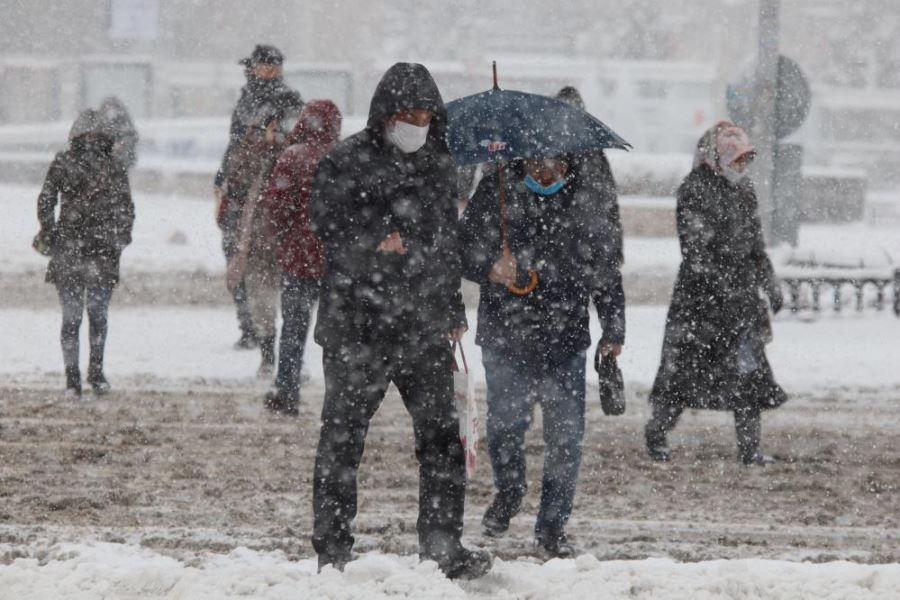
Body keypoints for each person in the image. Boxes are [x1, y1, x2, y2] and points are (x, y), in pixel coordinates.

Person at [309, 62, 491, 579]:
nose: (417, 124)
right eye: (408, 114)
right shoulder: (345, 160)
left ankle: (442, 547)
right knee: (342, 442)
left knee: (441, 441)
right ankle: (333, 553)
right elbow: (324, 225)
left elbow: (443, 246)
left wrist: (452, 310)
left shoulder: (438, 163)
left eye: (426, 115)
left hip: (423, 326)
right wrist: (374, 242)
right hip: (356, 327)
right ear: (385, 115)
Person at [458, 154, 625, 558]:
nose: (546, 173)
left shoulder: (588, 199)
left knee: (566, 439)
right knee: (504, 429)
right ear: (524, 159)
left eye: (555, 166)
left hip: (565, 339)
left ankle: (552, 527)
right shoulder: (495, 189)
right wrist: (490, 267)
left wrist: (613, 328)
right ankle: (510, 490)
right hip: (505, 336)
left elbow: (606, 269)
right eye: (537, 165)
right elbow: (462, 249)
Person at [645, 120, 787, 466]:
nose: (742, 167)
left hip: (741, 302)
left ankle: (750, 449)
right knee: (684, 375)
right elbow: (694, 250)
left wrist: (768, 282)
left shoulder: (744, 191)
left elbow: (755, 244)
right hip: (700, 305)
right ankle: (658, 431)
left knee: (747, 375)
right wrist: (719, 288)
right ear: (717, 156)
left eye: (744, 160)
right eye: (736, 159)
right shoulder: (694, 189)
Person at [33, 109, 135, 398]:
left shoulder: (71, 162)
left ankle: (83, 376)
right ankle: (81, 376)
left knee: (85, 316)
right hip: (88, 249)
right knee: (83, 316)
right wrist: (119, 237)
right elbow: (126, 209)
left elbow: (46, 201)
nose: (91, 138)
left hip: (80, 248)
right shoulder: (110, 166)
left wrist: (50, 232)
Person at [215, 44, 303, 350]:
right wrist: (223, 176)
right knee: (235, 255)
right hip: (240, 188)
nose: (270, 71)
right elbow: (234, 142)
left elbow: (294, 140)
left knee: (267, 264)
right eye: (265, 66)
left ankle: (268, 331)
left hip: (270, 189)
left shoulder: (288, 99)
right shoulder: (245, 98)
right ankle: (248, 324)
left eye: (275, 66)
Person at [260, 99, 342, 415]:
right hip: (337, 262)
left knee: (293, 328)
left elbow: (276, 208)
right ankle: (339, 400)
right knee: (336, 335)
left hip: (298, 259)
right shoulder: (344, 157)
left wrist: (283, 240)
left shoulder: (291, 157)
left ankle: (287, 392)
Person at [225, 102, 294, 378]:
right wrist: (261, 145)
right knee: (261, 305)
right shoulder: (253, 150)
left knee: (293, 307)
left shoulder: (297, 152)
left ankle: (291, 361)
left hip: (290, 244)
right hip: (258, 242)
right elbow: (237, 177)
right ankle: (268, 356)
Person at [98, 96, 139, 169]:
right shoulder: (100, 121)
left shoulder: (124, 120)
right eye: (108, 107)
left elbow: (132, 136)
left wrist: (122, 144)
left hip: (123, 157)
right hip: (105, 157)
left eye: (112, 107)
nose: (110, 110)